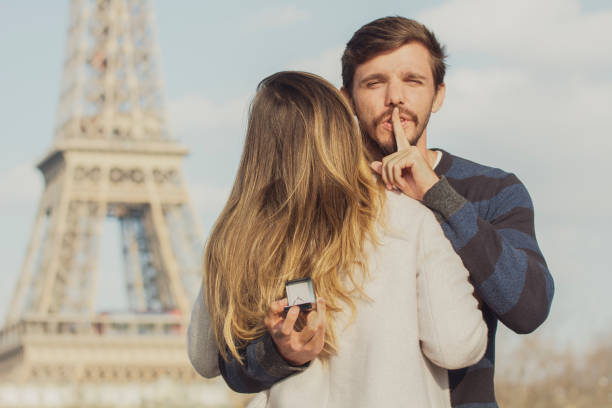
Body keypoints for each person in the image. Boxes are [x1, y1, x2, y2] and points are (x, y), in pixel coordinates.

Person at [190, 16, 555, 408]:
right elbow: (230, 362)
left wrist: (438, 196)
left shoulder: (492, 190)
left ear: (439, 95)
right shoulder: (313, 205)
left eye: (412, 81)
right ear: (346, 98)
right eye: (375, 83)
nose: (394, 98)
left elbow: (529, 308)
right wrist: (282, 352)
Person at [188, 71, 487, 407]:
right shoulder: (408, 221)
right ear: (344, 133)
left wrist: (276, 353)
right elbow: (457, 345)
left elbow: (204, 358)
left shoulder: (237, 239)